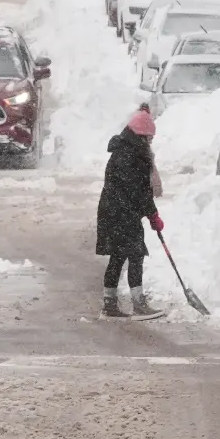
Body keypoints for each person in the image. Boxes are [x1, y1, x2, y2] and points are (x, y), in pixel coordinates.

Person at [96, 107, 164, 319]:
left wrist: (149, 213)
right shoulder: (134, 156)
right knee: (135, 255)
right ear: (142, 136)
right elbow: (140, 191)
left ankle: (109, 304)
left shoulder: (122, 150)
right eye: (150, 138)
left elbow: (135, 190)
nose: (151, 142)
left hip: (112, 211)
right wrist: (153, 215)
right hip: (122, 214)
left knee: (117, 256)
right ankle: (138, 304)